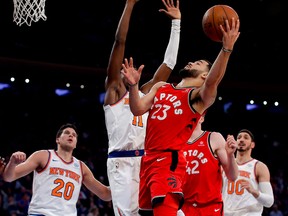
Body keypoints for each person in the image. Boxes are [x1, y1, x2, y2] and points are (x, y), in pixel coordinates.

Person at [121, 13, 240, 215]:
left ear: (204, 74)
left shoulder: (197, 98)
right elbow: (137, 109)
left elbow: (212, 81)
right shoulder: (161, 87)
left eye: (199, 63)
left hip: (168, 162)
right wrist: (133, 86)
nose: (192, 62)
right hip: (148, 160)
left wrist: (226, 49)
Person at [103, 0, 181, 215]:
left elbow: (170, 63)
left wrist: (177, 23)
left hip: (148, 161)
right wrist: (128, 4)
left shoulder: (146, 94)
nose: (128, 71)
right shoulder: (114, 93)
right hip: (122, 162)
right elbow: (120, 42)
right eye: (123, 70)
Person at [2, 123, 111, 216]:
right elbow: (8, 177)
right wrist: (12, 163)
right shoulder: (43, 156)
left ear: (76, 144)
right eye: (67, 133)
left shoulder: (81, 167)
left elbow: (105, 194)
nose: (71, 136)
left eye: (74, 135)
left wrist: (126, 183)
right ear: (57, 139)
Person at [178, 115, 238, 216]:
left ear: (202, 118)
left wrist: (231, 155)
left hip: (210, 206)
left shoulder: (214, 138)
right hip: (184, 207)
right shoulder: (176, 142)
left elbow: (233, 176)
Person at [222, 129, 274, 216]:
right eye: (238, 138)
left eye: (246, 138)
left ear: (252, 144)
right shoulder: (224, 165)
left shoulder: (259, 166)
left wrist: (254, 191)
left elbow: (269, 202)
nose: (241, 139)